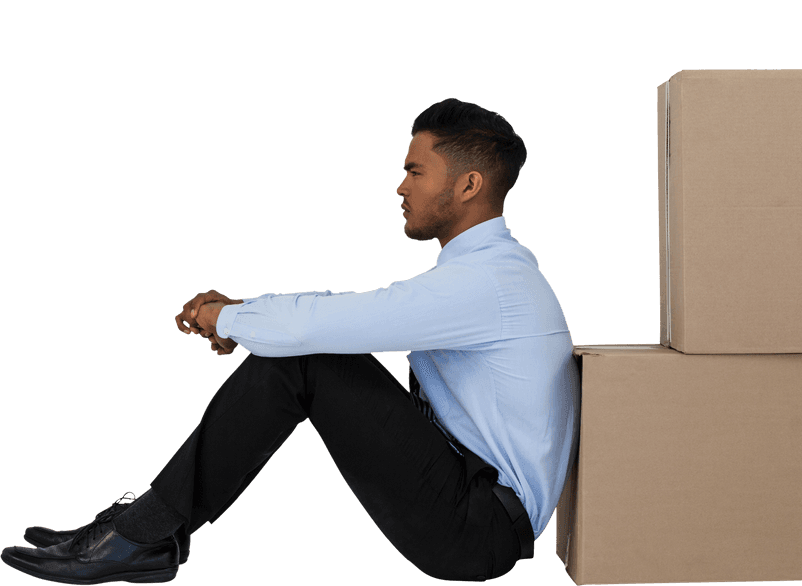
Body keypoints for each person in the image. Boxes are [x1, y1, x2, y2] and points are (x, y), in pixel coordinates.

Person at [2, 97, 581, 584]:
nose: (399, 186)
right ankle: (141, 533)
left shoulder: (488, 284)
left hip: (478, 530)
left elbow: (333, 323)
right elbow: (337, 319)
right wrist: (244, 318)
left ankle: (140, 537)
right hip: (472, 506)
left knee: (305, 360)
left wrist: (232, 319)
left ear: (469, 184)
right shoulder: (487, 275)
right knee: (305, 354)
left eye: (415, 172)